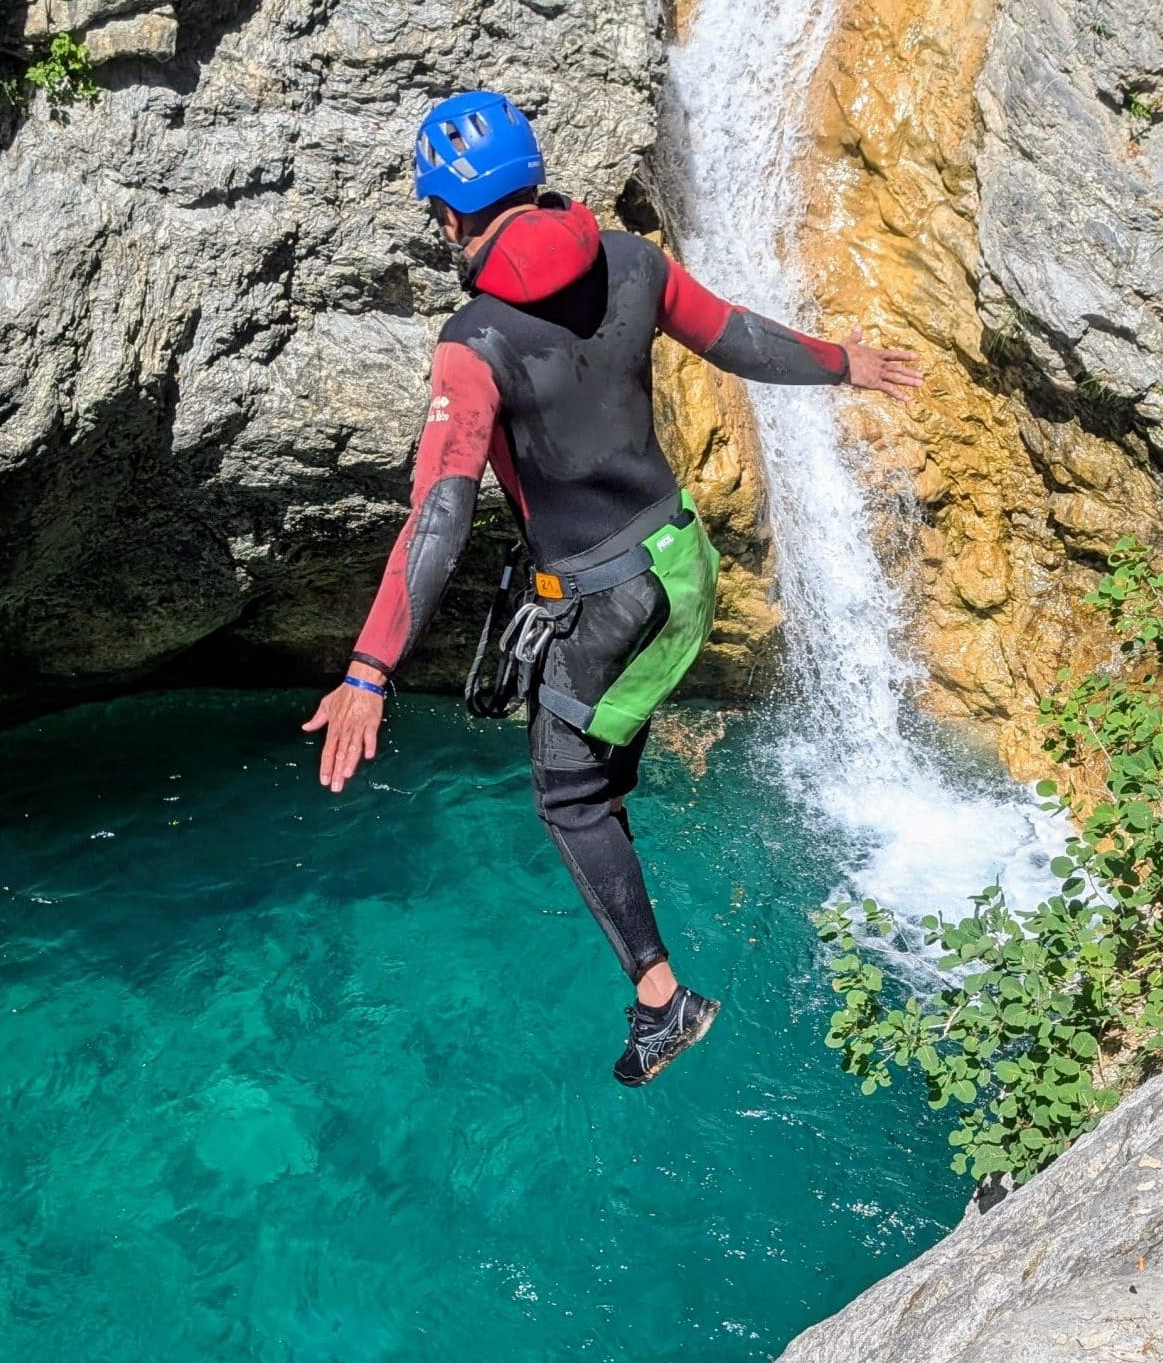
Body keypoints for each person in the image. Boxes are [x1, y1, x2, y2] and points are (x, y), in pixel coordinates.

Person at [304, 90, 924, 1085]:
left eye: (434, 211)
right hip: (680, 565)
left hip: (615, 603)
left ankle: (662, 1004)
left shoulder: (474, 344)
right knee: (591, 751)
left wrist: (370, 669)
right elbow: (732, 337)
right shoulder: (631, 262)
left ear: (454, 212)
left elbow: (438, 515)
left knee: (563, 793)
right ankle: (616, 817)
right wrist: (844, 362)